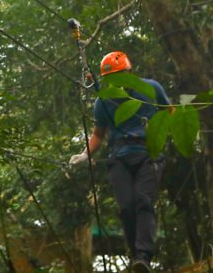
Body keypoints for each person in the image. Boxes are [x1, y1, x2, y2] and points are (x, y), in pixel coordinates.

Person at [69, 51, 171, 273]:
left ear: (130, 72)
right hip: (119, 156)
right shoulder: (103, 101)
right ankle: (135, 256)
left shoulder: (151, 88)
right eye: (112, 78)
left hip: (149, 153)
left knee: (144, 201)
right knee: (126, 207)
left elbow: (170, 111)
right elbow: (98, 134)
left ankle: (143, 256)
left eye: (120, 75)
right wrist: (85, 154)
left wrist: (164, 131)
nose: (117, 81)